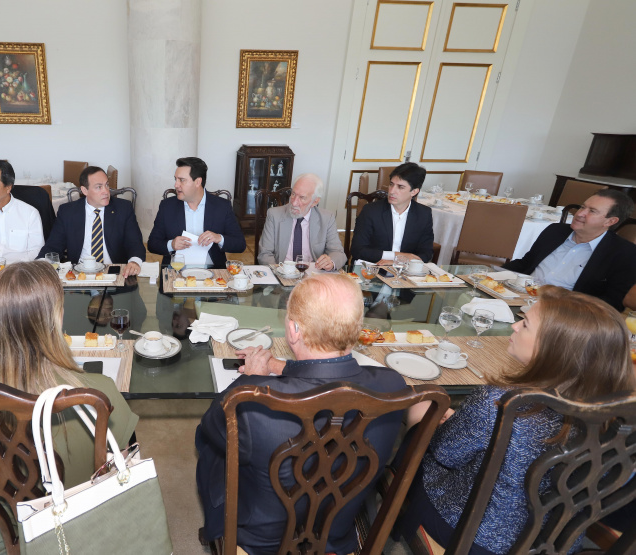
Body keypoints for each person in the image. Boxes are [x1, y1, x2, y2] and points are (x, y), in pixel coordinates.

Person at [399, 286, 636, 555]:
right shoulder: (620, 418)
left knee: (421, 414)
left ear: (554, 348)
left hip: (474, 537)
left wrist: (439, 424)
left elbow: (445, 454)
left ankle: (389, 517)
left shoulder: (500, 402)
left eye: (525, 324)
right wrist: (471, 426)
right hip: (555, 543)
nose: (514, 326)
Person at [196, 273, 407, 554]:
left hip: (262, 542)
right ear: (357, 328)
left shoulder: (252, 402)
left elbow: (208, 427)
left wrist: (251, 379)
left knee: (211, 446)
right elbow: (325, 376)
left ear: (293, 330)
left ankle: (217, 531)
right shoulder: (394, 387)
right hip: (336, 533)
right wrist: (277, 366)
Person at [0, 261, 138, 555]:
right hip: (81, 532)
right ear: (58, 318)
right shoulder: (98, 393)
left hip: (2, 537)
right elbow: (119, 471)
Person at [502, 189, 636, 311]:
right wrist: (494, 273)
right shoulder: (555, 231)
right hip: (519, 297)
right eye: (582, 207)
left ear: (610, 221)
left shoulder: (624, 253)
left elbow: (613, 302)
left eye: (592, 211)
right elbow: (526, 263)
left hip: (564, 313)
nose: (580, 214)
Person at [38, 165, 146, 276]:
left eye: (107, 185)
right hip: (79, 274)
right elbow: (53, 246)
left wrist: (134, 262)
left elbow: (135, 243)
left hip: (114, 273)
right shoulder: (67, 212)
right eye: (99, 187)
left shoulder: (123, 209)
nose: (106, 191)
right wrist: (39, 266)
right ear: (85, 190)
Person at [148, 156, 245, 268]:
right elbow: (152, 244)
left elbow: (240, 244)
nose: (176, 185)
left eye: (182, 180)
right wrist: (171, 244)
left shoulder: (222, 206)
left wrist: (219, 238)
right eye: (176, 179)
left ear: (198, 182)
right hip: (176, 270)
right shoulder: (167, 206)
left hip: (213, 272)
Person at [257, 173, 347, 269]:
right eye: (293, 194)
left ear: (315, 201)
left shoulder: (327, 218)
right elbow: (265, 254)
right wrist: (278, 271)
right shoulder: (274, 215)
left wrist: (330, 262)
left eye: (302, 198)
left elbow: (338, 253)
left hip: (313, 272)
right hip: (281, 270)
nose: (294, 203)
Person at [350, 161, 435, 263]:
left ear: (414, 191)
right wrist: (396, 256)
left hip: (405, 269)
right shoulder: (371, 211)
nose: (392, 191)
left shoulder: (424, 214)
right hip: (373, 266)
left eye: (400, 187)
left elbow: (426, 253)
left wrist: (398, 263)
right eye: (391, 184)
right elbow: (357, 250)